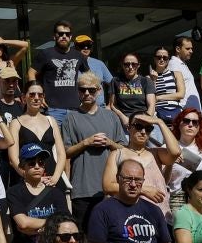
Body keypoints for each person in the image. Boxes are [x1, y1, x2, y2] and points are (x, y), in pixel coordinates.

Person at [60, 73, 126, 223]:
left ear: (99, 91)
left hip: (110, 187)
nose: (87, 93)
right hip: (82, 189)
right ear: (78, 92)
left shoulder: (111, 117)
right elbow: (66, 152)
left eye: (91, 90)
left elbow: (124, 150)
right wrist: (86, 142)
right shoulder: (70, 117)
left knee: (110, 232)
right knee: (83, 232)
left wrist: (109, 143)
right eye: (82, 90)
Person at [10, 83, 68, 186]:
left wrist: (55, 177)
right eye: (32, 94)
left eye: (40, 95)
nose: (36, 98)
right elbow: (13, 158)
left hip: (52, 179)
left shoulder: (51, 120)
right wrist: (28, 177)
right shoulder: (16, 123)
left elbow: (61, 153)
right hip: (28, 181)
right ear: (23, 97)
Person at [30, 21, 83, 119]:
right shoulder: (46, 54)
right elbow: (31, 73)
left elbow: (89, 77)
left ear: (71, 37)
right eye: (60, 33)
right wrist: (37, 95)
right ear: (54, 36)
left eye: (67, 34)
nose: (64, 36)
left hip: (75, 108)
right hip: (52, 109)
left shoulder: (78, 55)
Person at [149, 40, 201, 123]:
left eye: (165, 58)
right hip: (158, 114)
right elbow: (151, 98)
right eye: (159, 57)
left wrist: (159, 97)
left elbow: (181, 94)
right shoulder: (148, 77)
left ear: (168, 59)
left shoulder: (176, 74)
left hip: (175, 113)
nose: (162, 60)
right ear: (154, 59)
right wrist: (154, 81)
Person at [111, 50, 149, 119]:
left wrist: (146, 120)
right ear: (122, 65)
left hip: (143, 118)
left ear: (138, 65)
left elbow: (151, 106)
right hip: (123, 118)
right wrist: (123, 118)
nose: (130, 67)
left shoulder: (146, 81)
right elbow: (113, 105)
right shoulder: (115, 81)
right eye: (127, 64)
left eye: (133, 64)